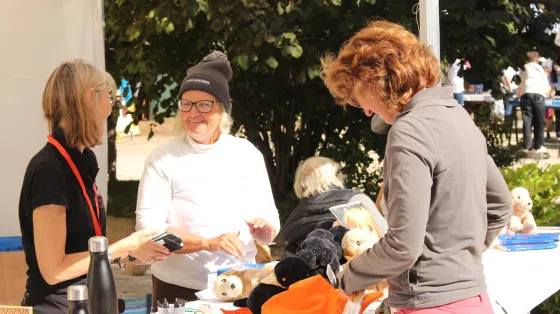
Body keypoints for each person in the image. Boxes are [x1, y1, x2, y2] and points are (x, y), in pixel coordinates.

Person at [320, 20, 512, 313]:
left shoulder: (409, 129)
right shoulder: (459, 117)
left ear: (377, 81)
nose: (368, 110)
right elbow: (501, 205)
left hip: (429, 303)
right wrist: (458, 259)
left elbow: (402, 246)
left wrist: (351, 275)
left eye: (361, 100)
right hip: (474, 299)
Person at [18, 60, 171, 313]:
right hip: (58, 307)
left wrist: (132, 255)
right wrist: (126, 245)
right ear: (91, 97)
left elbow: (80, 249)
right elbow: (55, 270)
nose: (111, 108)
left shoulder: (80, 161)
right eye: (109, 97)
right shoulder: (49, 170)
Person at [135, 51, 281, 311]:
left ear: (222, 109)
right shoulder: (163, 157)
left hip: (239, 283)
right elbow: (149, 232)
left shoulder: (246, 153)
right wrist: (207, 243)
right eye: (186, 104)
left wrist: (265, 230)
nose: (193, 113)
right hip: (177, 288)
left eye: (204, 104)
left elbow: (269, 219)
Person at [280, 156, 387, 254]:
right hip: (355, 271)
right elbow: (385, 235)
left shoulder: (292, 219)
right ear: (334, 177)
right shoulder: (353, 199)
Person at [516, 51, 550, 153]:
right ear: (537, 59)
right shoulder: (540, 69)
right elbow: (546, 85)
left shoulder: (523, 68)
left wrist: (518, 94)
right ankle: (538, 146)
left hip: (526, 94)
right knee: (539, 121)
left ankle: (526, 146)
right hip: (538, 95)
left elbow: (520, 84)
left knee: (527, 121)